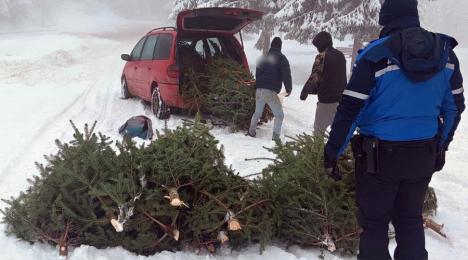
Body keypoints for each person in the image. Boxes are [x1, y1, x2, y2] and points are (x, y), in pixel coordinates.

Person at [323, 0, 465, 259]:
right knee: (410, 220)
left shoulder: (375, 55)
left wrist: (333, 152)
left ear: (385, 19)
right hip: (423, 154)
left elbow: (350, 109)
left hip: (378, 159)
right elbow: (455, 108)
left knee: (375, 224)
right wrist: (440, 146)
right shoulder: (446, 54)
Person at [300, 31, 347, 136]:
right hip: (341, 100)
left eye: (317, 45)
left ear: (321, 44)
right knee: (338, 133)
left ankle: (319, 152)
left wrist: (305, 91)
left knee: (318, 134)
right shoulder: (340, 55)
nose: (317, 48)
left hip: (326, 101)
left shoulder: (322, 56)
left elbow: (315, 76)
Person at [248, 37, 292, 140]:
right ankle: (275, 139)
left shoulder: (263, 57)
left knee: (257, 112)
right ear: (280, 46)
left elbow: (258, 73)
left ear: (271, 46)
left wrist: (258, 85)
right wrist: (288, 88)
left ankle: (251, 132)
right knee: (279, 115)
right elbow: (286, 74)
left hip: (259, 90)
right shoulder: (282, 58)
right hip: (270, 91)